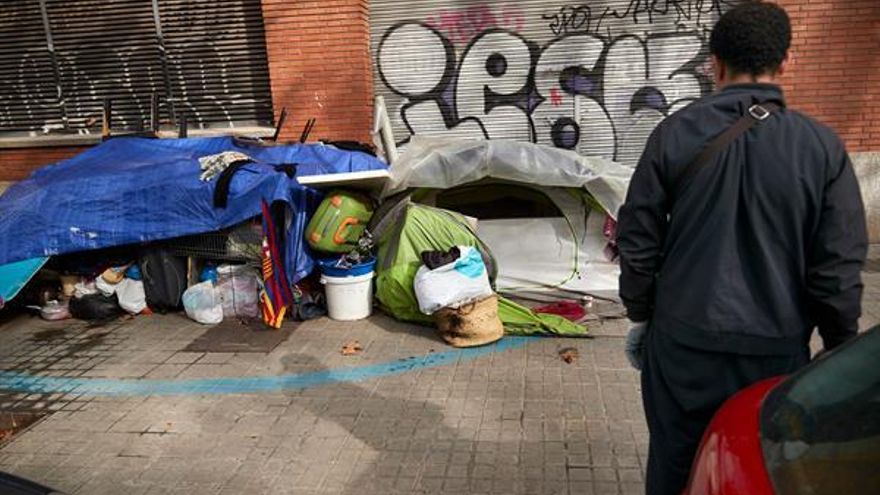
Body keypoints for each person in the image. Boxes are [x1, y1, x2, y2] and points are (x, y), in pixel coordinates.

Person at [616, 2, 868, 494]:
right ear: (786, 62)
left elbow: (637, 238)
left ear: (714, 63)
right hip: (775, 349)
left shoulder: (674, 132)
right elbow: (836, 266)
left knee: (674, 460)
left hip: (683, 341)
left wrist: (641, 312)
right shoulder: (821, 147)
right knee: (754, 467)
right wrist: (840, 346)